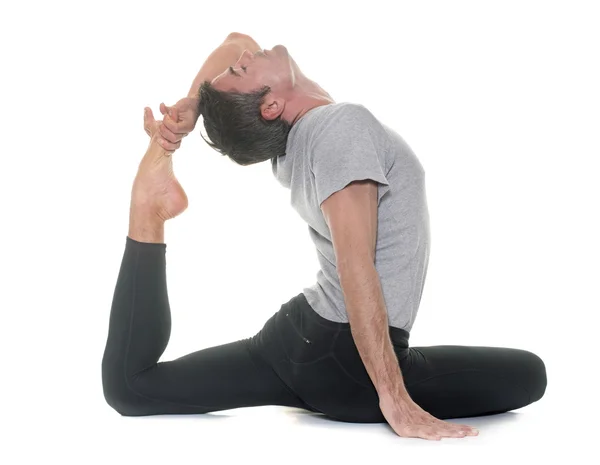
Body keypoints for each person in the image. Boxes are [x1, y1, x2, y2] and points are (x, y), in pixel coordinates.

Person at [101, 33, 547, 441]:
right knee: (530, 375)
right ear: (271, 105)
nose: (242, 56)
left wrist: (194, 105)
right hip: (349, 364)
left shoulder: (302, 134)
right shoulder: (339, 128)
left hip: (295, 342)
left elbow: (234, 42)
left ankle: (147, 212)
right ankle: (381, 385)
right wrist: (395, 398)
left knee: (132, 386)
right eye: (241, 70)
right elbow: (356, 266)